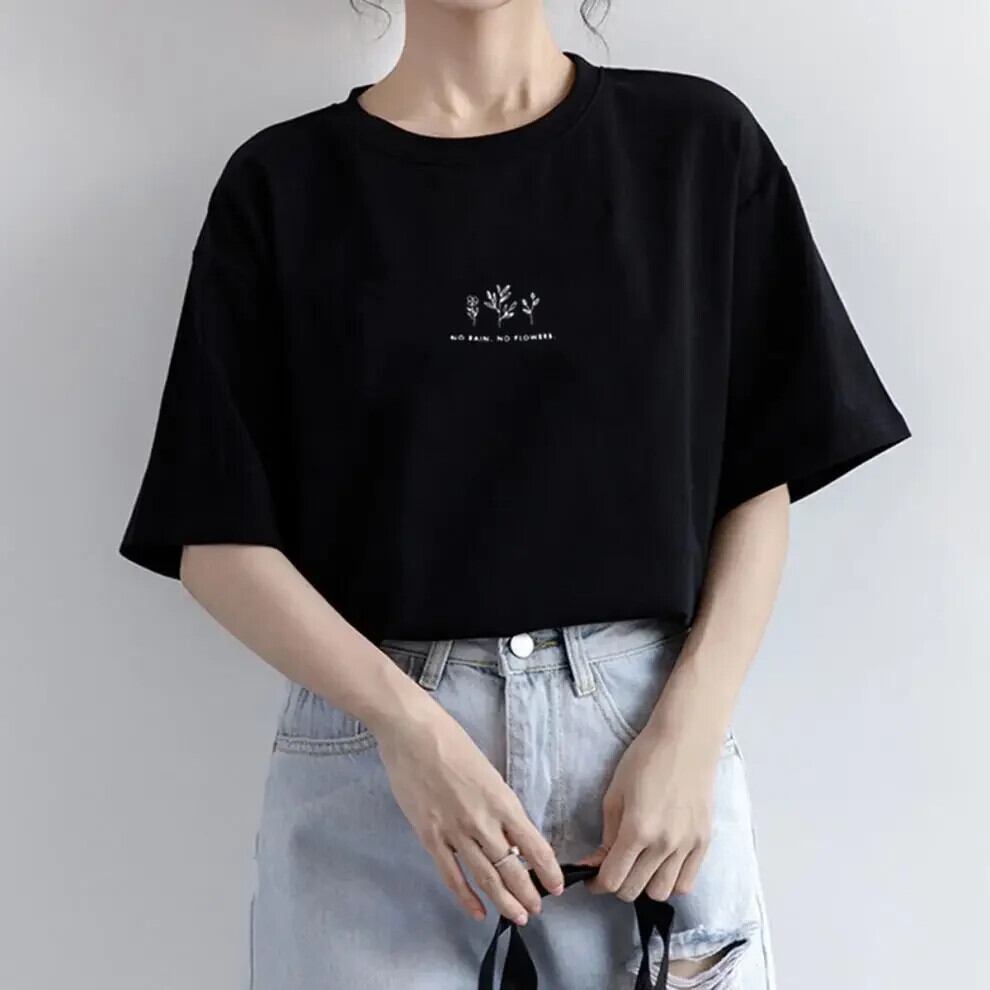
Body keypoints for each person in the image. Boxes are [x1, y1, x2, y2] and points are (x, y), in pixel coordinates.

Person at [118, 2, 912, 987]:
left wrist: (693, 725)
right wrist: (406, 727)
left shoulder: (696, 148)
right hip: (377, 770)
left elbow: (759, 472)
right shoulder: (284, 184)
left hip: (646, 765)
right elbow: (214, 535)